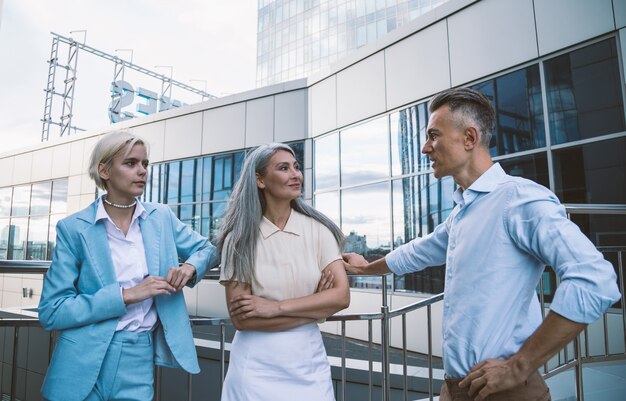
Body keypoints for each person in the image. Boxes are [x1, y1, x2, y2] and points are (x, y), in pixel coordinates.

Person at [343, 88, 621, 401]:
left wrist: (518, 366)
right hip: (455, 389)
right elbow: (419, 251)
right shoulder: (463, 212)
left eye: (434, 135)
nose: (425, 148)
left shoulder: (518, 198)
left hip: (505, 392)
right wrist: (367, 267)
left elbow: (594, 280)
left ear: (470, 138)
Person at [38, 131, 218, 401]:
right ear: (105, 170)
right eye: (131, 163)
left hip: (139, 357)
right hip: (80, 359)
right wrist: (127, 295)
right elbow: (52, 311)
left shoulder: (161, 218)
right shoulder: (74, 228)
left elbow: (207, 249)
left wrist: (189, 268)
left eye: (145, 164)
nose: (142, 171)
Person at [217, 142, 350, 401]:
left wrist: (274, 308)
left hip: (308, 364)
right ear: (260, 180)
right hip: (255, 367)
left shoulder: (319, 230)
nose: (295, 174)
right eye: (283, 168)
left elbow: (341, 297)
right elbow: (242, 320)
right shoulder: (239, 239)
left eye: (296, 167)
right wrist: (314, 310)